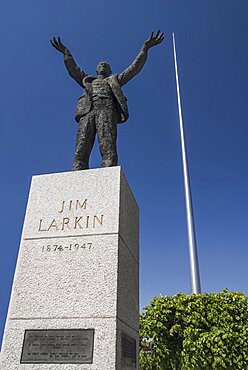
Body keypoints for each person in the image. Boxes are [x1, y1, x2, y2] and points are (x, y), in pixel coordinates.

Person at [50, 31, 164, 170]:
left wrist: (144, 49)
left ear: (109, 71)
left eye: (106, 65)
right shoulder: (87, 81)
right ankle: (78, 170)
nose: (103, 64)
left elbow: (134, 68)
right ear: (97, 69)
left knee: (107, 144)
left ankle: (108, 172)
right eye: (101, 64)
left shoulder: (114, 80)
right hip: (88, 111)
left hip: (106, 110)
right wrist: (66, 53)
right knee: (82, 144)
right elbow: (74, 69)